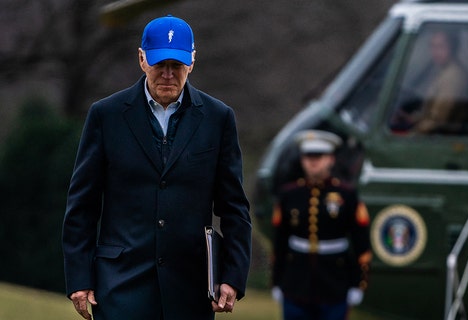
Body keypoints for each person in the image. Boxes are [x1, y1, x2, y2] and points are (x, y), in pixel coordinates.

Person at [61, 15, 252, 320]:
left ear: (191, 61)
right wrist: (80, 279)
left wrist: (232, 274)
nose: (167, 74)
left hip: (190, 288)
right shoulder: (106, 116)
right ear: (141, 59)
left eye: (176, 66)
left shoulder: (219, 119)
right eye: (159, 64)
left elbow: (234, 208)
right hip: (120, 285)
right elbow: (82, 206)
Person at [270, 130, 372, 320]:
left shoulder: (346, 195)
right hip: (296, 282)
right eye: (308, 156)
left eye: (319, 155)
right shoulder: (289, 195)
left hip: (335, 282)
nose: (312, 161)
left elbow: (361, 242)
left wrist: (359, 283)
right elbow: (280, 241)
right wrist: (276, 280)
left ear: (331, 159)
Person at [390, 29, 468, 134]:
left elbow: (436, 121)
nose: (436, 52)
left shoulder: (453, 76)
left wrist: (410, 135)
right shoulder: (445, 70)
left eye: (441, 47)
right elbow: (430, 113)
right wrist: (411, 119)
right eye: (433, 46)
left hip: (441, 137)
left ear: (453, 47)